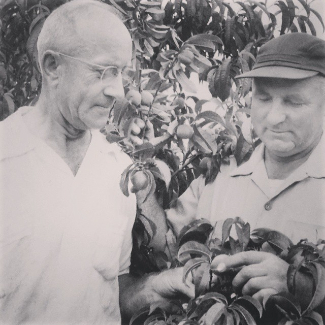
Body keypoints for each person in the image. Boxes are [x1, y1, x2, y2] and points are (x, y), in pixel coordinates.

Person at [0, 1, 194, 323]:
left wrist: (153, 289)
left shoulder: (119, 170)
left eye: (122, 73)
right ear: (52, 67)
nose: (118, 91)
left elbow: (111, 293)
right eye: (104, 71)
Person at [131, 32, 325, 314]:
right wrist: (145, 182)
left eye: (294, 102)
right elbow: (169, 249)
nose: (273, 117)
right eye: (263, 98)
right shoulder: (219, 170)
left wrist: (299, 283)